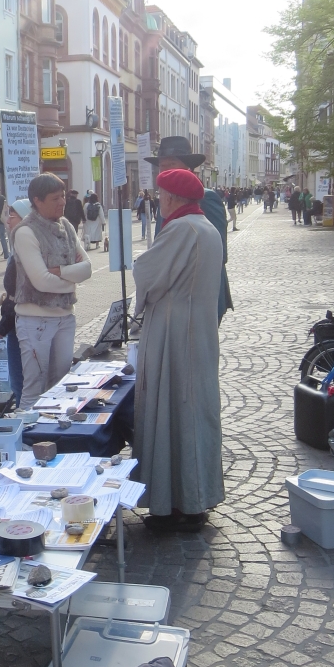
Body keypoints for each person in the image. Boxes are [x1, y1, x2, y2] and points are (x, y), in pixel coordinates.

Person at [131, 168, 224, 533]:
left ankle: (178, 502)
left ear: (171, 198)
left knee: (172, 410)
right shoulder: (207, 228)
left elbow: (148, 273)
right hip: (197, 330)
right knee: (194, 410)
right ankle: (193, 498)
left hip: (174, 332)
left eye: (160, 196)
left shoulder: (180, 229)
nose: (158, 203)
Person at [13, 174, 92, 408]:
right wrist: (71, 277)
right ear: (37, 200)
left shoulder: (66, 225)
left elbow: (87, 268)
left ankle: (52, 437)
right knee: (34, 388)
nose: (62, 203)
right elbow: (42, 282)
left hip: (65, 317)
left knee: (60, 385)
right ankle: (27, 439)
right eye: (55, 198)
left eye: (63, 197)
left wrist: (61, 271)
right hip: (35, 319)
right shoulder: (25, 231)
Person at [146, 136, 233, 324]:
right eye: (162, 165)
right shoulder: (165, 199)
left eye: (172, 163)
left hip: (201, 297)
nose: (166, 169)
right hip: (171, 298)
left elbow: (218, 252)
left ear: (188, 168)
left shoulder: (205, 198)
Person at [0, 200, 31, 407]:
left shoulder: (23, 249)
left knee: (20, 382)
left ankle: (24, 425)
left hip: (18, 323)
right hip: (16, 322)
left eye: (12, 216)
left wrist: (4, 325)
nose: (8, 220)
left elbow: (21, 293)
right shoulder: (16, 245)